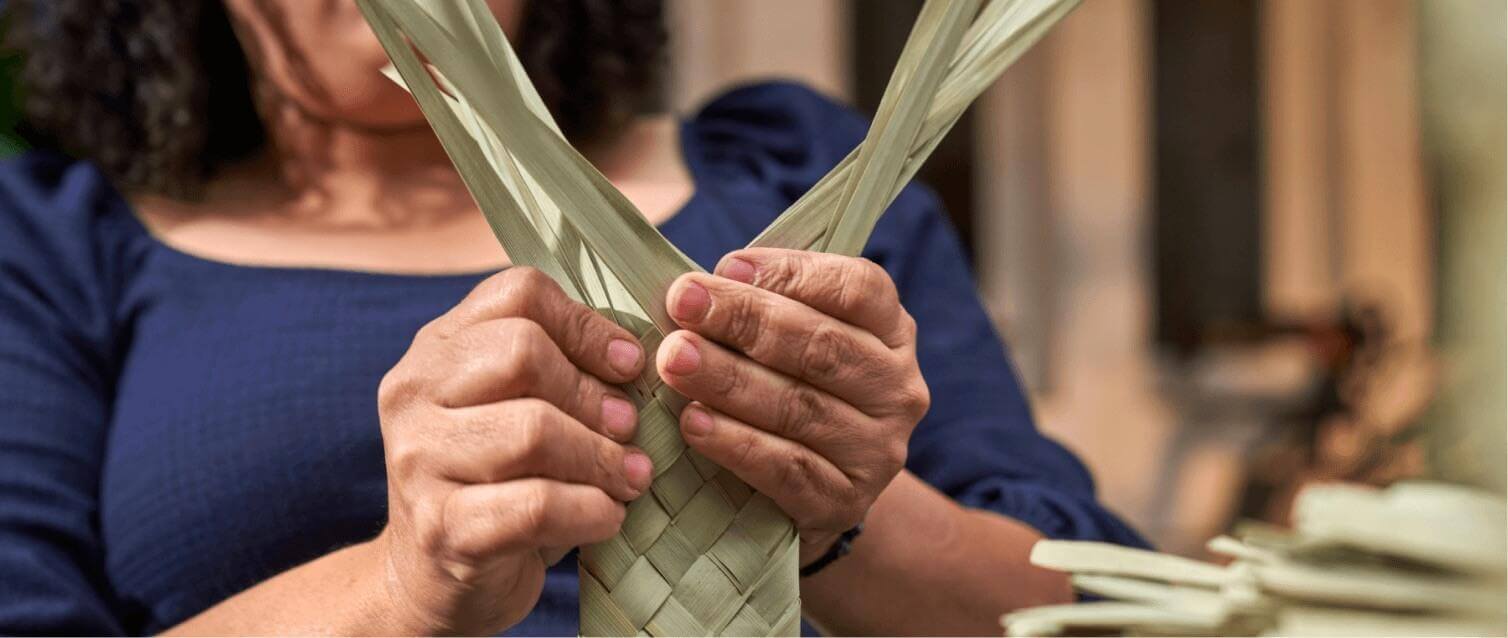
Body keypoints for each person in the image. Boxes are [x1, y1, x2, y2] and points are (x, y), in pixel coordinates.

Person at [0, 0, 1146, 635]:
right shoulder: (47, 246)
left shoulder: (794, 169)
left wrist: (834, 509)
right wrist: (402, 585)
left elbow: (1100, 611)